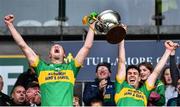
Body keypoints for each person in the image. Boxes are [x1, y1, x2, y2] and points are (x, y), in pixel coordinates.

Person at [4, 14, 95, 106]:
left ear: (64, 55)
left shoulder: (71, 68)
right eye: (53, 47)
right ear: (50, 55)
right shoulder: (41, 67)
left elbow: (87, 46)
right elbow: (23, 46)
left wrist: (92, 26)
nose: (56, 46)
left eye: (59, 46)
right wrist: (10, 25)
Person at [115, 39, 177, 106]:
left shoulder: (144, 91)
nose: (132, 75)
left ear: (139, 78)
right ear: (125, 78)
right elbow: (121, 61)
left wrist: (168, 51)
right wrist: (121, 39)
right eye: (129, 73)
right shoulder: (121, 86)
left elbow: (156, 72)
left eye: (135, 73)